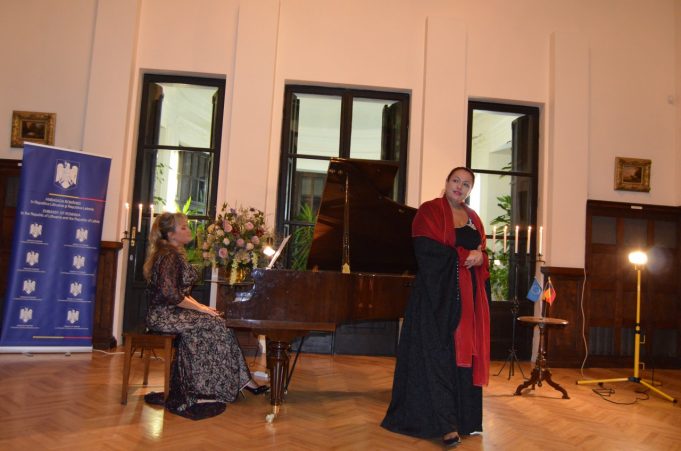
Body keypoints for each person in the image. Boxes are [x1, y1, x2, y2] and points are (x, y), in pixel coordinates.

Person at [381, 167, 491, 447]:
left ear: (470, 190)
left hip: (466, 300)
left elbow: (482, 251)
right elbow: (427, 251)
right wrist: (466, 256)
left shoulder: (474, 218)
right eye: (456, 180)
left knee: (458, 358)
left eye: (466, 184)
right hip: (434, 299)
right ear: (446, 182)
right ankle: (445, 426)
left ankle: (463, 420)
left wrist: (482, 258)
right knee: (438, 358)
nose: (460, 187)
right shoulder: (429, 211)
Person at [143, 212, 268, 420]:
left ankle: (236, 381)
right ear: (171, 235)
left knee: (217, 322)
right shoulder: (168, 256)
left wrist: (202, 307)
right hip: (163, 315)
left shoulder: (173, 253)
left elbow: (181, 294)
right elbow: (172, 295)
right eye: (183, 227)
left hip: (173, 312)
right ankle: (213, 386)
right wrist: (202, 310)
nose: (188, 230)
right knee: (217, 324)